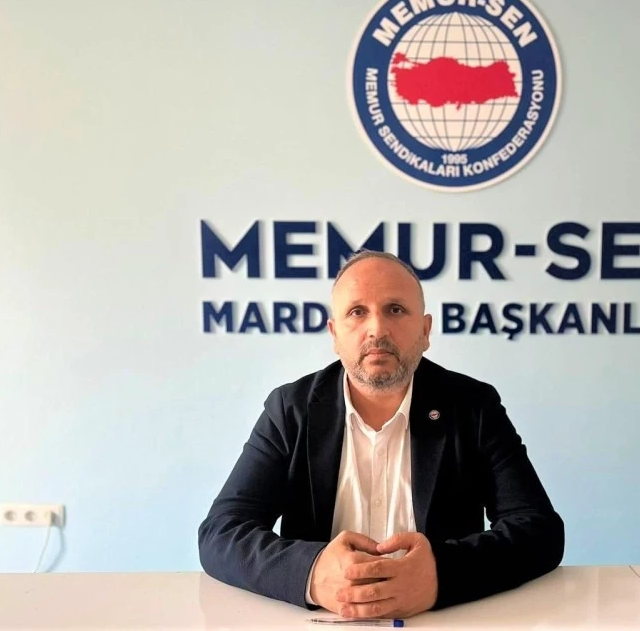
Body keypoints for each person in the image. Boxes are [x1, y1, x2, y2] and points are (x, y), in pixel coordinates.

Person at [198, 250, 564, 619]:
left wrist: (442, 574)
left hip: (440, 623)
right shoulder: (291, 410)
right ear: (335, 334)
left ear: (425, 331)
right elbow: (222, 532)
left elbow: (539, 530)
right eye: (357, 312)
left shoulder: (473, 406)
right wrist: (312, 572)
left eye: (395, 310)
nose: (377, 329)